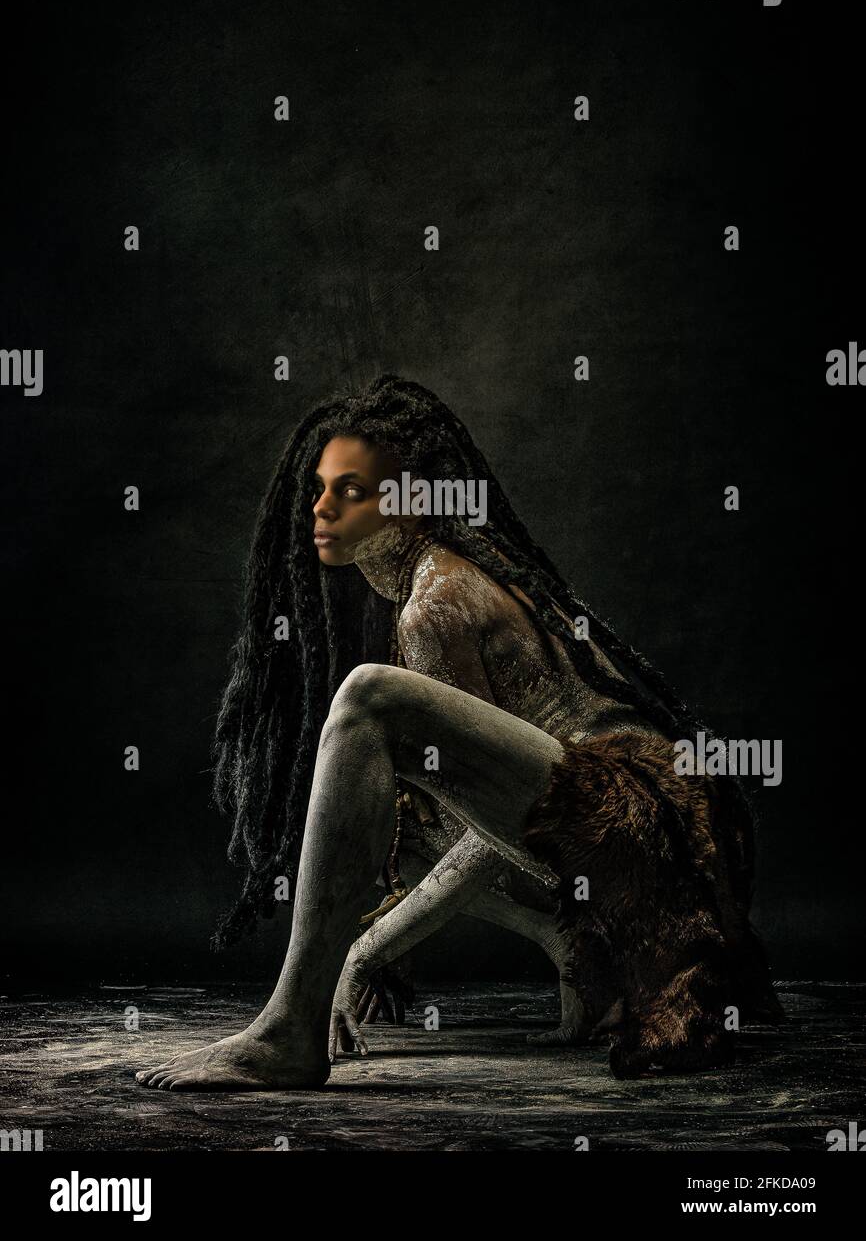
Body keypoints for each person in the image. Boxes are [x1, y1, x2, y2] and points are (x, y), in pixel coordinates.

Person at [135, 374, 782, 1091]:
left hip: (648, 835)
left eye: (349, 489)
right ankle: (571, 948)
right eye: (320, 487)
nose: (319, 507)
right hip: (625, 837)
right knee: (389, 825)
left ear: (412, 505)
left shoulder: (436, 604)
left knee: (368, 702)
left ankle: (289, 1030)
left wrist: (364, 950)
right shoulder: (423, 589)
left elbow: (480, 835)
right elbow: (462, 816)